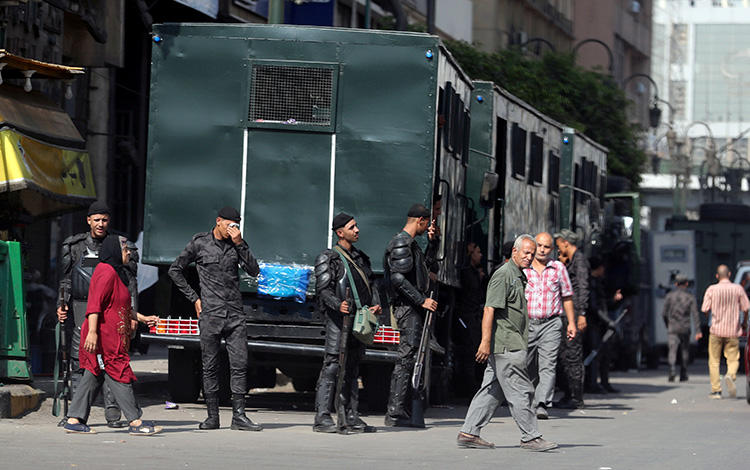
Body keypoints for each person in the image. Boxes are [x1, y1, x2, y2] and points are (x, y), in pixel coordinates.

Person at [456, 235, 557, 452]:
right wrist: (485, 342)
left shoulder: (517, 275)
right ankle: (531, 436)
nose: (530, 257)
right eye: (526, 253)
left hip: (509, 343)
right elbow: (489, 309)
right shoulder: (503, 275)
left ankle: (469, 432)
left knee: (492, 390)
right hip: (506, 344)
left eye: (532, 253)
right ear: (514, 252)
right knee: (521, 390)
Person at [169, 206, 262, 430]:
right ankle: (212, 416)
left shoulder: (237, 244)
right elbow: (175, 269)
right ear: (218, 221)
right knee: (209, 365)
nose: (233, 228)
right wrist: (194, 298)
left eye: (236, 225)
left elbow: (254, 270)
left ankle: (239, 415)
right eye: (230, 224)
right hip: (211, 313)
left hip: (235, 313)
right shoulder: (200, 242)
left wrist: (240, 243)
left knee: (239, 364)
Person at [63, 235, 160, 435]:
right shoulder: (105, 272)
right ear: (115, 251)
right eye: (125, 250)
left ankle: (74, 419)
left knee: (93, 374)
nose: (128, 253)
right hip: (103, 340)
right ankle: (135, 421)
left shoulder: (116, 273)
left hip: (110, 337)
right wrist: (92, 333)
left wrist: (142, 318)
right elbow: (94, 305)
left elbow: (119, 307)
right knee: (119, 374)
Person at [56, 201, 131, 428]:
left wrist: (132, 316)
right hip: (82, 306)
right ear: (88, 220)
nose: (100, 224)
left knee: (111, 358)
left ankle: (113, 415)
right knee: (81, 360)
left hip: (112, 309)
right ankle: (76, 415)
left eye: (104, 220)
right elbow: (67, 278)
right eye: (96, 219)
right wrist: (62, 303)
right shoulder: (75, 245)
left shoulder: (119, 244)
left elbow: (130, 281)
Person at [312, 213, 382, 433]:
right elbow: (323, 290)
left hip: (359, 321)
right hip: (337, 322)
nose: (357, 230)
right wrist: (338, 304)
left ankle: (351, 415)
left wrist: (376, 305)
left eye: (356, 226)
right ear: (340, 233)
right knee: (332, 366)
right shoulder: (328, 258)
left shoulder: (361, 258)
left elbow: (372, 285)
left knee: (352, 368)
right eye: (352, 227)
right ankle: (322, 417)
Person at [383, 203, 438, 427]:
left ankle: (400, 409)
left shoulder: (412, 245)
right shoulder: (401, 243)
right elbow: (398, 279)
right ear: (420, 221)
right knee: (406, 359)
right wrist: (421, 300)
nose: (427, 228)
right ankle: (395, 411)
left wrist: (434, 244)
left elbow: (427, 267)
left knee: (412, 358)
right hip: (408, 308)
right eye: (427, 224)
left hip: (413, 308)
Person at [523, 232, 576, 420]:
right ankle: (527, 400)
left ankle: (542, 403)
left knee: (548, 364)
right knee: (525, 364)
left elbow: (567, 296)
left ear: (552, 250)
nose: (542, 250)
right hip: (527, 323)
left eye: (546, 247)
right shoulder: (524, 268)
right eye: (539, 246)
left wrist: (571, 323)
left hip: (551, 323)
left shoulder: (558, 268)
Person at [700, 265, 749, 399]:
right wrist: (744, 323)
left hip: (716, 331)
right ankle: (730, 375)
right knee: (733, 358)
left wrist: (711, 317)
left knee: (714, 361)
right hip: (733, 331)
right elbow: (746, 308)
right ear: (730, 274)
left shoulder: (711, 289)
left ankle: (716, 391)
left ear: (717, 276)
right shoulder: (738, 289)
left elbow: (704, 309)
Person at [553, 229, 589, 409]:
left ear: (566, 242)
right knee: (566, 354)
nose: (558, 249)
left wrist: (582, 312)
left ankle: (576, 397)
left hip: (573, 311)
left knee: (572, 354)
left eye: (559, 244)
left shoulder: (580, 261)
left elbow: (582, 286)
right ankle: (569, 394)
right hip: (569, 311)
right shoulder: (571, 261)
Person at [585, 257, 623, 393]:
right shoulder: (590, 283)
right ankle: (592, 383)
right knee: (595, 354)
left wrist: (614, 301)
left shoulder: (599, 283)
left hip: (601, 324)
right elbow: (594, 307)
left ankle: (604, 382)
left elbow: (604, 304)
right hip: (594, 324)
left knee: (605, 354)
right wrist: (608, 321)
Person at [455, 242, 487, 395]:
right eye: (478, 252)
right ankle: (469, 390)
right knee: (469, 353)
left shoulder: (475, 273)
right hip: (466, 317)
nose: (480, 255)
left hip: (473, 318)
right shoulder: (466, 273)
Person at [661, 274, 700, 382]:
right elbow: (695, 314)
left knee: (672, 350)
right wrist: (698, 330)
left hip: (672, 326)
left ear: (676, 284)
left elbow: (664, 313)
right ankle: (683, 373)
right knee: (684, 350)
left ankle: (672, 369)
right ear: (686, 284)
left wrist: (667, 324)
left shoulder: (670, 296)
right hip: (685, 326)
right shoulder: (690, 297)